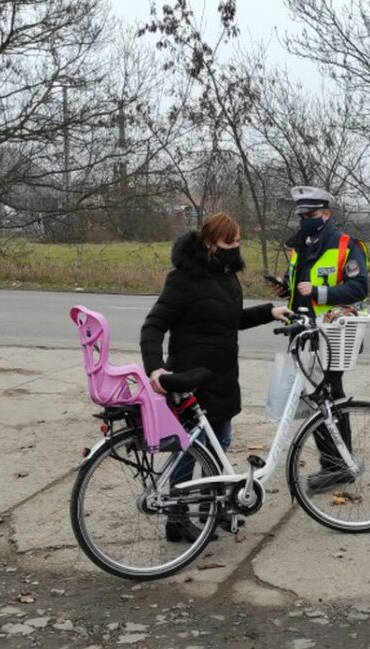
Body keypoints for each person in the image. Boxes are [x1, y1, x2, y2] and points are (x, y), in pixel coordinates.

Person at [141, 212, 292, 543]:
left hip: (222, 376)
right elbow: (153, 325)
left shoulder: (226, 276)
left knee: (220, 444)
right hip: (191, 378)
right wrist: (155, 368)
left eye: (238, 241)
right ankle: (177, 518)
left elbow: (228, 319)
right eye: (228, 242)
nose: (235, 248)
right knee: (190, 449)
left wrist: (269, 312)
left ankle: (217, 508)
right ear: (210, 243)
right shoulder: (182, 280)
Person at [274, 186, 369, 491]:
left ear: (327, 214)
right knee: (316, 398)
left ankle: (338, 465)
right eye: (302, 215)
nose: (305, 220)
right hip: (303, 332)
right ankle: (334, 462)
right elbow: (297, 285)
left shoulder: (348, 246)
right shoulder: (299, 246)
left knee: (329, 395)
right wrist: (285, 289)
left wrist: (318, 292)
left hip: (333, 335)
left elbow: (359, 288)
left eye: (312, 215)